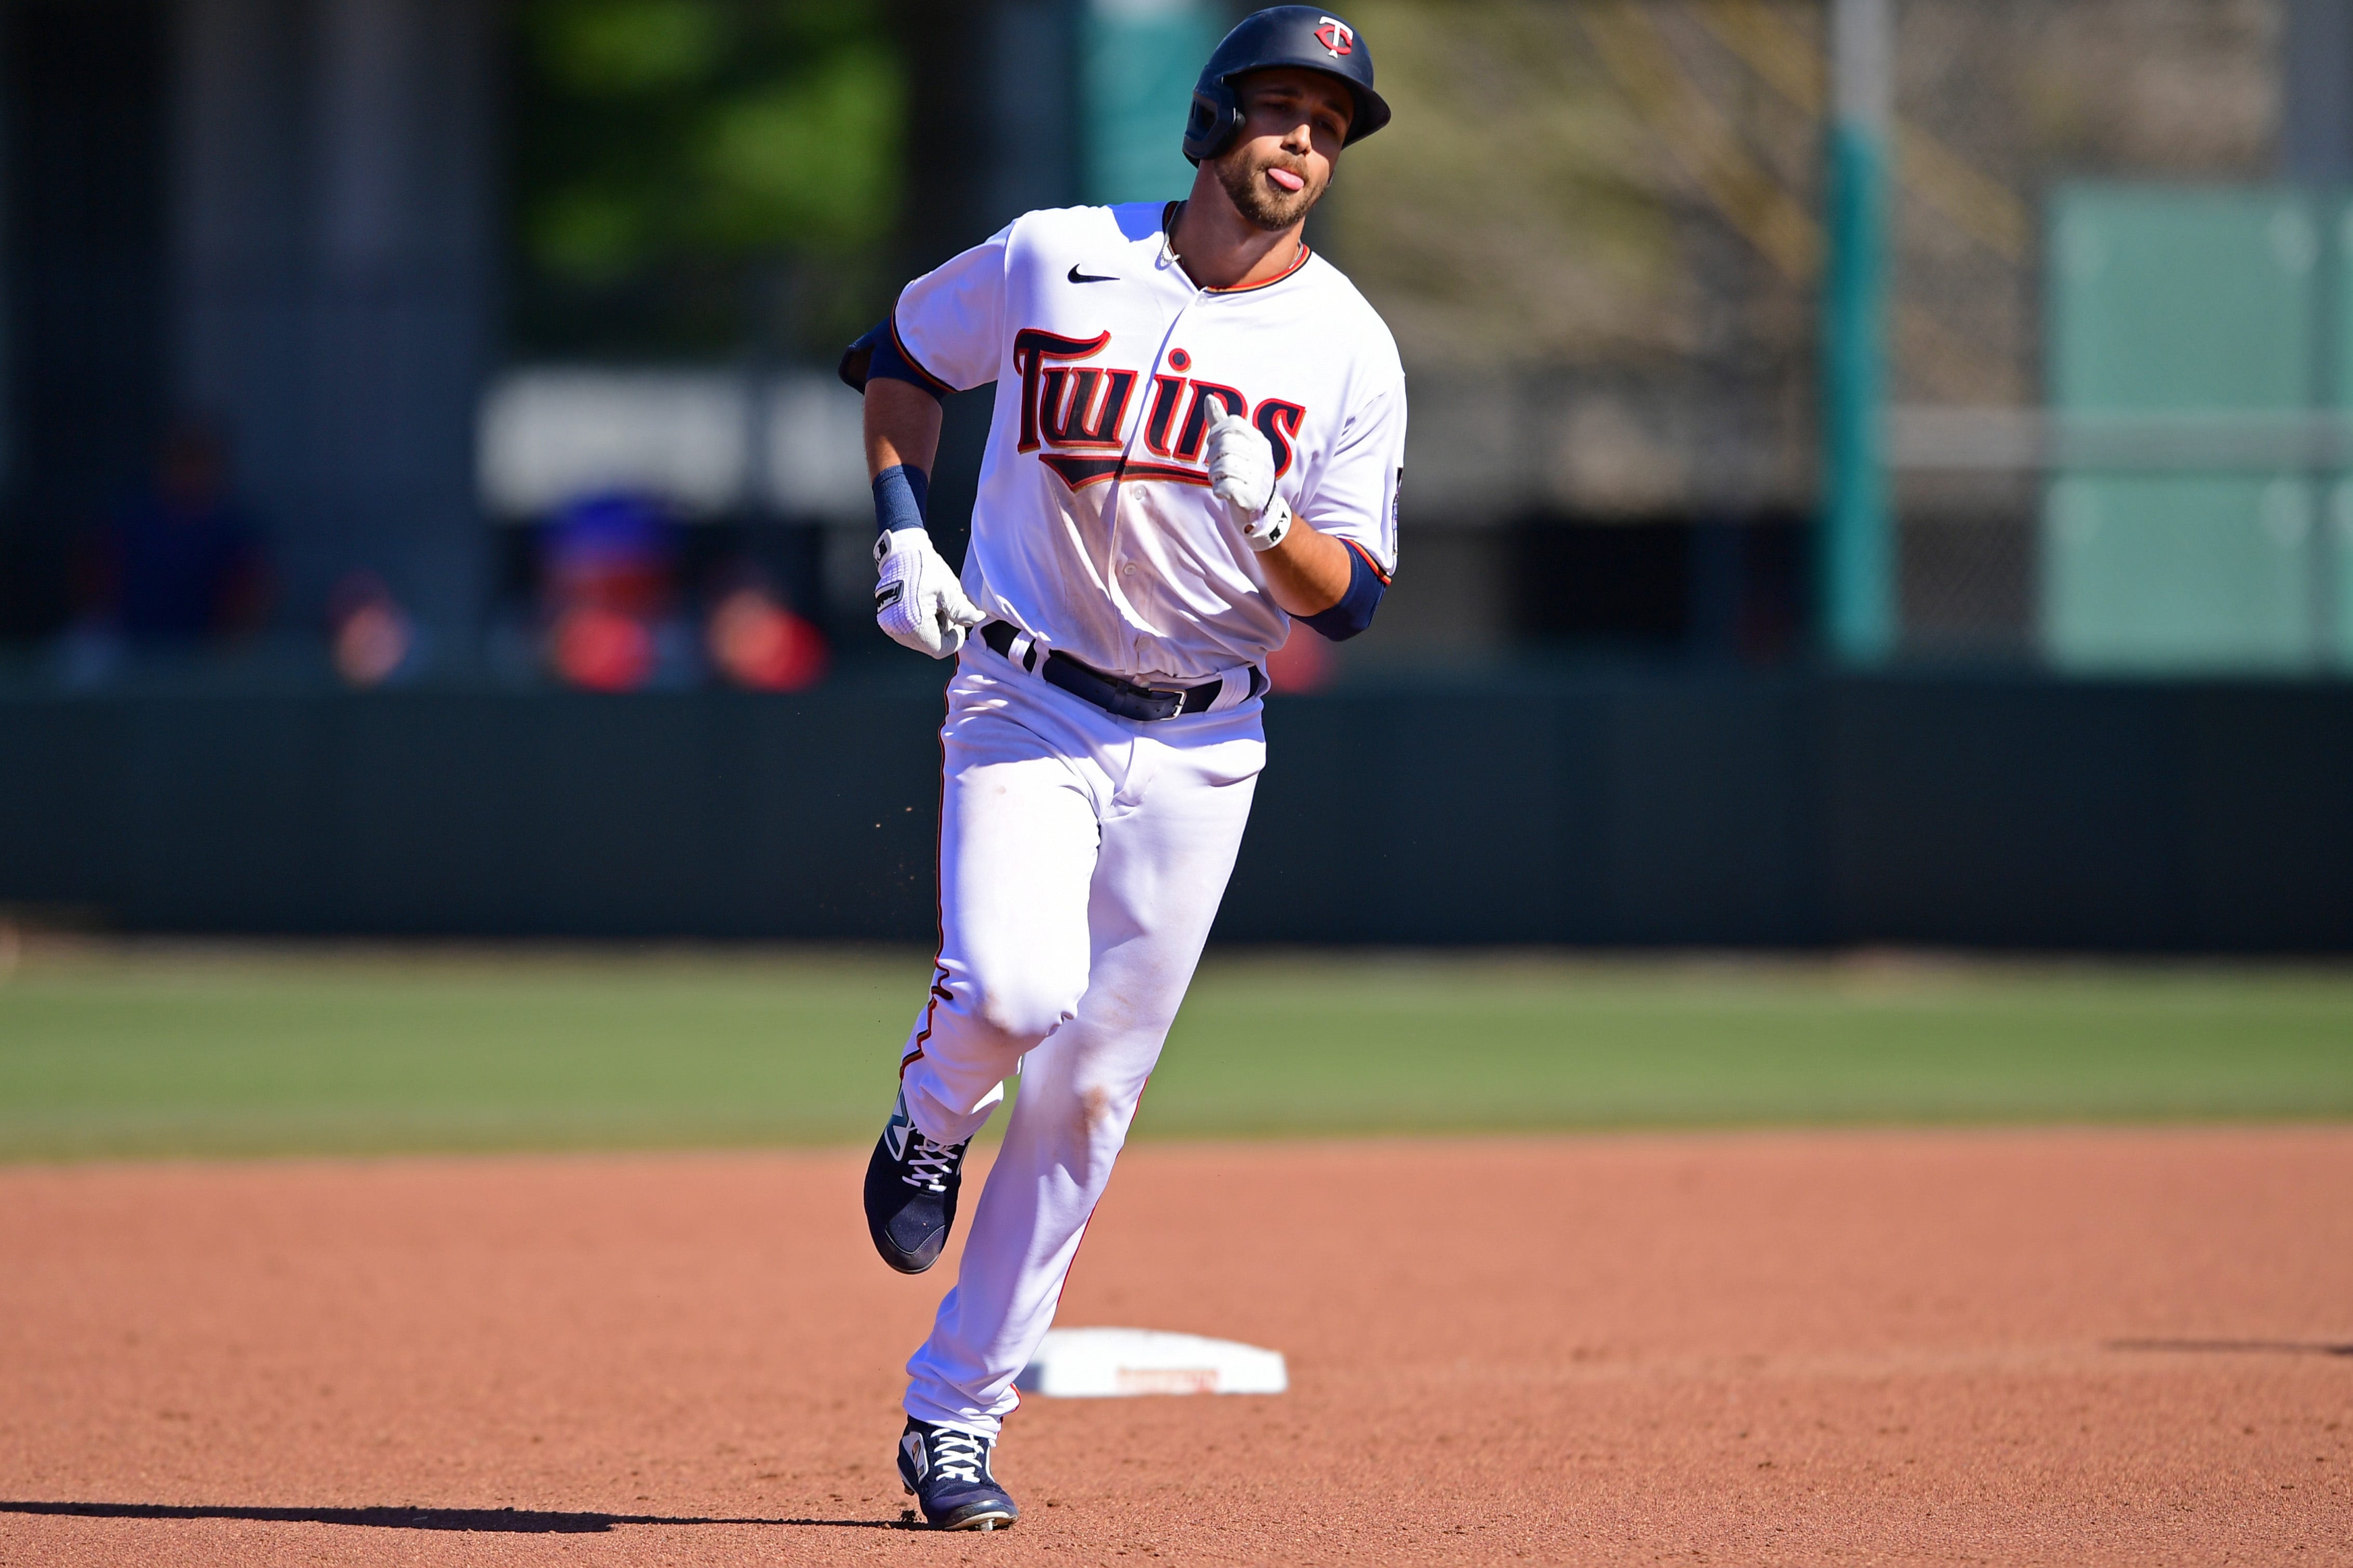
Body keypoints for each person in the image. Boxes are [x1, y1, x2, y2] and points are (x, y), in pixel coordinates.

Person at [839, 6, 1403, 1531]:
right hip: (1026, 694)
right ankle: (928, 1113)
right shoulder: (1054, 254)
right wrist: (902, 528)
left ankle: (954, 1413)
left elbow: (1346, 594)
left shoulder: (1347, 344)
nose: (1305, 143)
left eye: (1331, 126)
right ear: (1211, 117)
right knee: (1014, 997)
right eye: (1283, 109)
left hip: (1208, 736)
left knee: (1091, 1092)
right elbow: (897, 359)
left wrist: (1270, 513)